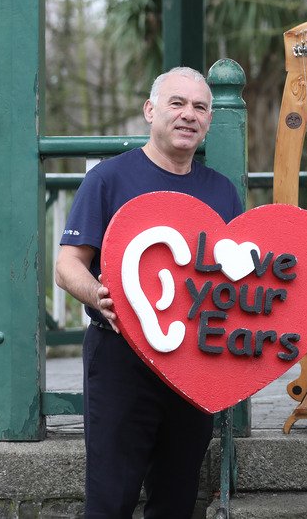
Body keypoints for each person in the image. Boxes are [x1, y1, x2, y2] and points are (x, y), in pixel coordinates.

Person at [54, 67, 242, 518]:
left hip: (194, 363)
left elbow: (241, 280)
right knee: (110, 499)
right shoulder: (108, 179)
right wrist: (96, 292)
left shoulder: (222, 191)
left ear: (209, 121)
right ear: (150, 111)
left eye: (199, 107)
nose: (188, 115)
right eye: (177, 103)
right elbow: (66, 266)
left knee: (176, 501)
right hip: (121, 358)